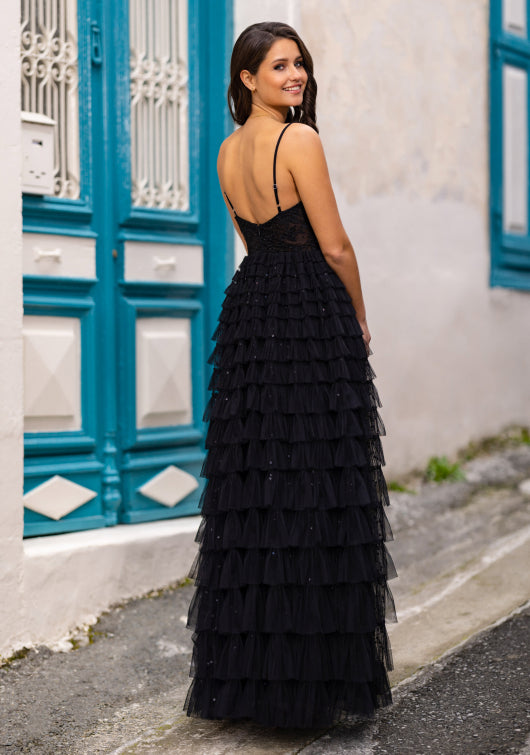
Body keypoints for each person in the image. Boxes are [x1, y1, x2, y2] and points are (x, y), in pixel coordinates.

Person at [183, 20, 396, 729]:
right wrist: (358, 317)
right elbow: (334, 246)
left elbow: (253, 241)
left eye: (300, 63)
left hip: (251, 312)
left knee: (258, 487)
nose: (296, 75)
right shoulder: (298, 139)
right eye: (279, 66)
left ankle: (255, 682)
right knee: (320, 479)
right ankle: (317, 679)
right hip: (308, 312)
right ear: (247, 78)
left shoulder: (225, 153)